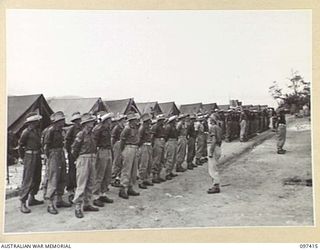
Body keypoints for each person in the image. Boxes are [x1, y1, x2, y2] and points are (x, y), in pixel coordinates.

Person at [71, 113, 99, 218]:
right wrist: (78, 159)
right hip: (83, 159)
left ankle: (87, 203)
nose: (93, 123)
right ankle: (78, 206)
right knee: (81, 183)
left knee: (91, 182)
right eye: (91, 122)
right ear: (86, 124)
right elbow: (74, 149)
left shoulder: (92, 134)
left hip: (92, 158)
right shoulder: (81, 134)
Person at [44, 111, 71, 215]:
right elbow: (46, 146)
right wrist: (49, 157)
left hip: (60, 153)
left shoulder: (60, 131)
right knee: (53, 178)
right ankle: (50, 203)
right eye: (61, 120)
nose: (63, 122)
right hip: (53, 154)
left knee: (62, 176)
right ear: (57, 122)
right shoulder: (50, 131)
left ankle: (59, 199)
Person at [18, 112, 44, 213]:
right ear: (31, 122)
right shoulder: (26, 132)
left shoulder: (37, 131)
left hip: (37, 156)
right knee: (28, 179)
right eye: (36, 121)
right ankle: (23, 202)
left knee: (37, 177)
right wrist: (22, 158)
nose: (38, 122)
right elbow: (20, 145)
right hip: (29, 156)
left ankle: (32, 198)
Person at [92, 112, 114, 207]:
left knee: (107, 174)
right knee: (99, 174)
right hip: (101, 151)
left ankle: (103, 193)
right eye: (109, 120)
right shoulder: (98, 128)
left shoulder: (107, 129)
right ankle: (95, 196)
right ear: (105, 120)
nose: (110, 122)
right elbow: (94, 141)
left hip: (108, 150)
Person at [118, 112, 141, 199]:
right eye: (135, 120)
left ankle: (130, 187)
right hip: (128, 148)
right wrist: (122, 151)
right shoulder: (127, 129)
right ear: (131, 121)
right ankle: (123, 188)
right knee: (126, 169)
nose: (136, 121)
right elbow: (122, 140)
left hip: (135, 148)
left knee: (133, 170)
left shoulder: (136, 128)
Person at [64, 112, 82, 202]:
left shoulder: (82, 128)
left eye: (79, 120)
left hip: (80, 153)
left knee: (79, 172)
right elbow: (67, 142)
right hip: (73, 153)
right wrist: (69, 152)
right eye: (76, 120)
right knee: (72, 171)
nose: (78, 122)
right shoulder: (71, 129)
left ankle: (78, 189)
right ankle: (71, 190)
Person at [137, 113, 154, 189]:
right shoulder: (142, 128)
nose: (150, 121)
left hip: (149, 145)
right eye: (149, 120)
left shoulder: (148, 128)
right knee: (143, 164)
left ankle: (146, 178)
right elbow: (139, 139)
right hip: (144, 146)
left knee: (149, 163)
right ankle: (141, 180)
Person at [207, 116, 223, 194]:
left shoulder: (213, 127)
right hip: (218, 147)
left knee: (213, 168)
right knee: (215, 166)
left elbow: (214, 140)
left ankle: (216, 185)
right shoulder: (219, 127)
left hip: (213, 147)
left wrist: (211, 151)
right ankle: (215, 184)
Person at [150, 114, 167, 183]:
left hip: (162, 141)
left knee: (161, 159)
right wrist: (152, 145)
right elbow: (152, 137)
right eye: (162, 120)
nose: (163, 121)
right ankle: (154, 176)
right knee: (156, 159)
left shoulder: (162, 127)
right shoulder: (155, 126)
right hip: (157, 141)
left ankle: (158, 175)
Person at [111, 114, 126, 187]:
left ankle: (118, 177)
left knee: (121, 161)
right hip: (117, 144)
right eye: (122, 119)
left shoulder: (123, 127)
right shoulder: (116, 128)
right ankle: (113, 178)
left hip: (122, 144)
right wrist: (114, 146)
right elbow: (113, 138)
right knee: (116, 161)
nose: (124, 120)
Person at [164, 115, 179, 180]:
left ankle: (170, 171)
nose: (176, 121)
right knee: (170, 157)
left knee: (173, 158)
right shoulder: (168, 127)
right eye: (175, 120)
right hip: (170, 141)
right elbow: (166, 135)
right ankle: (167, 173)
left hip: (174, 141)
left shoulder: (173, 126)